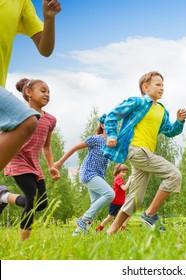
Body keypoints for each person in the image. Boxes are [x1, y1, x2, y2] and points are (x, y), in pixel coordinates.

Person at [104, 71, 186, 235]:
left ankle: (110, 232)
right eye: (158, 85)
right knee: (174, 175)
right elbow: (112, 116)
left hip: (145, 153)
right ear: (145, 87)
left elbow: (169, 131)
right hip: (136, 150)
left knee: (135, 199)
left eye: (163, 85)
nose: (162, 88)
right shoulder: (138, 102)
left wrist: (179, 121)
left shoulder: (162, 111)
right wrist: (112, 134)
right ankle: (150, 215)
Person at [0, 0, 61, 171]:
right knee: (27, 120)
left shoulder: (21, 3)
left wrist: (49, 18)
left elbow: (45, 48)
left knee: (27, 121)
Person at [2, 78, 59, 241]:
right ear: (28, 93)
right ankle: (24, 243)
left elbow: (46, 147)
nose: (47, 94)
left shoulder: (50, 120)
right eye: (43, 91)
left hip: (34, 164)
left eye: (49, 92)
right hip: (17, 160)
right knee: (32, 198)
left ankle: (4, 197)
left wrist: (51, 166)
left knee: (41, 204)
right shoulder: (18, 115)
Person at [54, 114, 115, 236]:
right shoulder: (95, 139)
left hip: (99, 175)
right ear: (102, 126)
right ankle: (82, 220)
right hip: (88, 172)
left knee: (95, 204)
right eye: (109, 124)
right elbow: (75, 148)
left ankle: (78, 233)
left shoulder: (111, 143)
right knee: (110, 194)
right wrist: (60, 162)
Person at [96, 164, 132, 232]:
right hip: (115, 202)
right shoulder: (117, 179)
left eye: (125, 172)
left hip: (121, 202)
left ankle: (123, 228)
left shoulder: (120, 179)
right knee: (110, 217)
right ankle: (100, 228)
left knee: (128, 214)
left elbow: (122, 192)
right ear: (118, 172)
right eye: (123, 172)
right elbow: (124, 188)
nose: (124, 174)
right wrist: (129, 180)